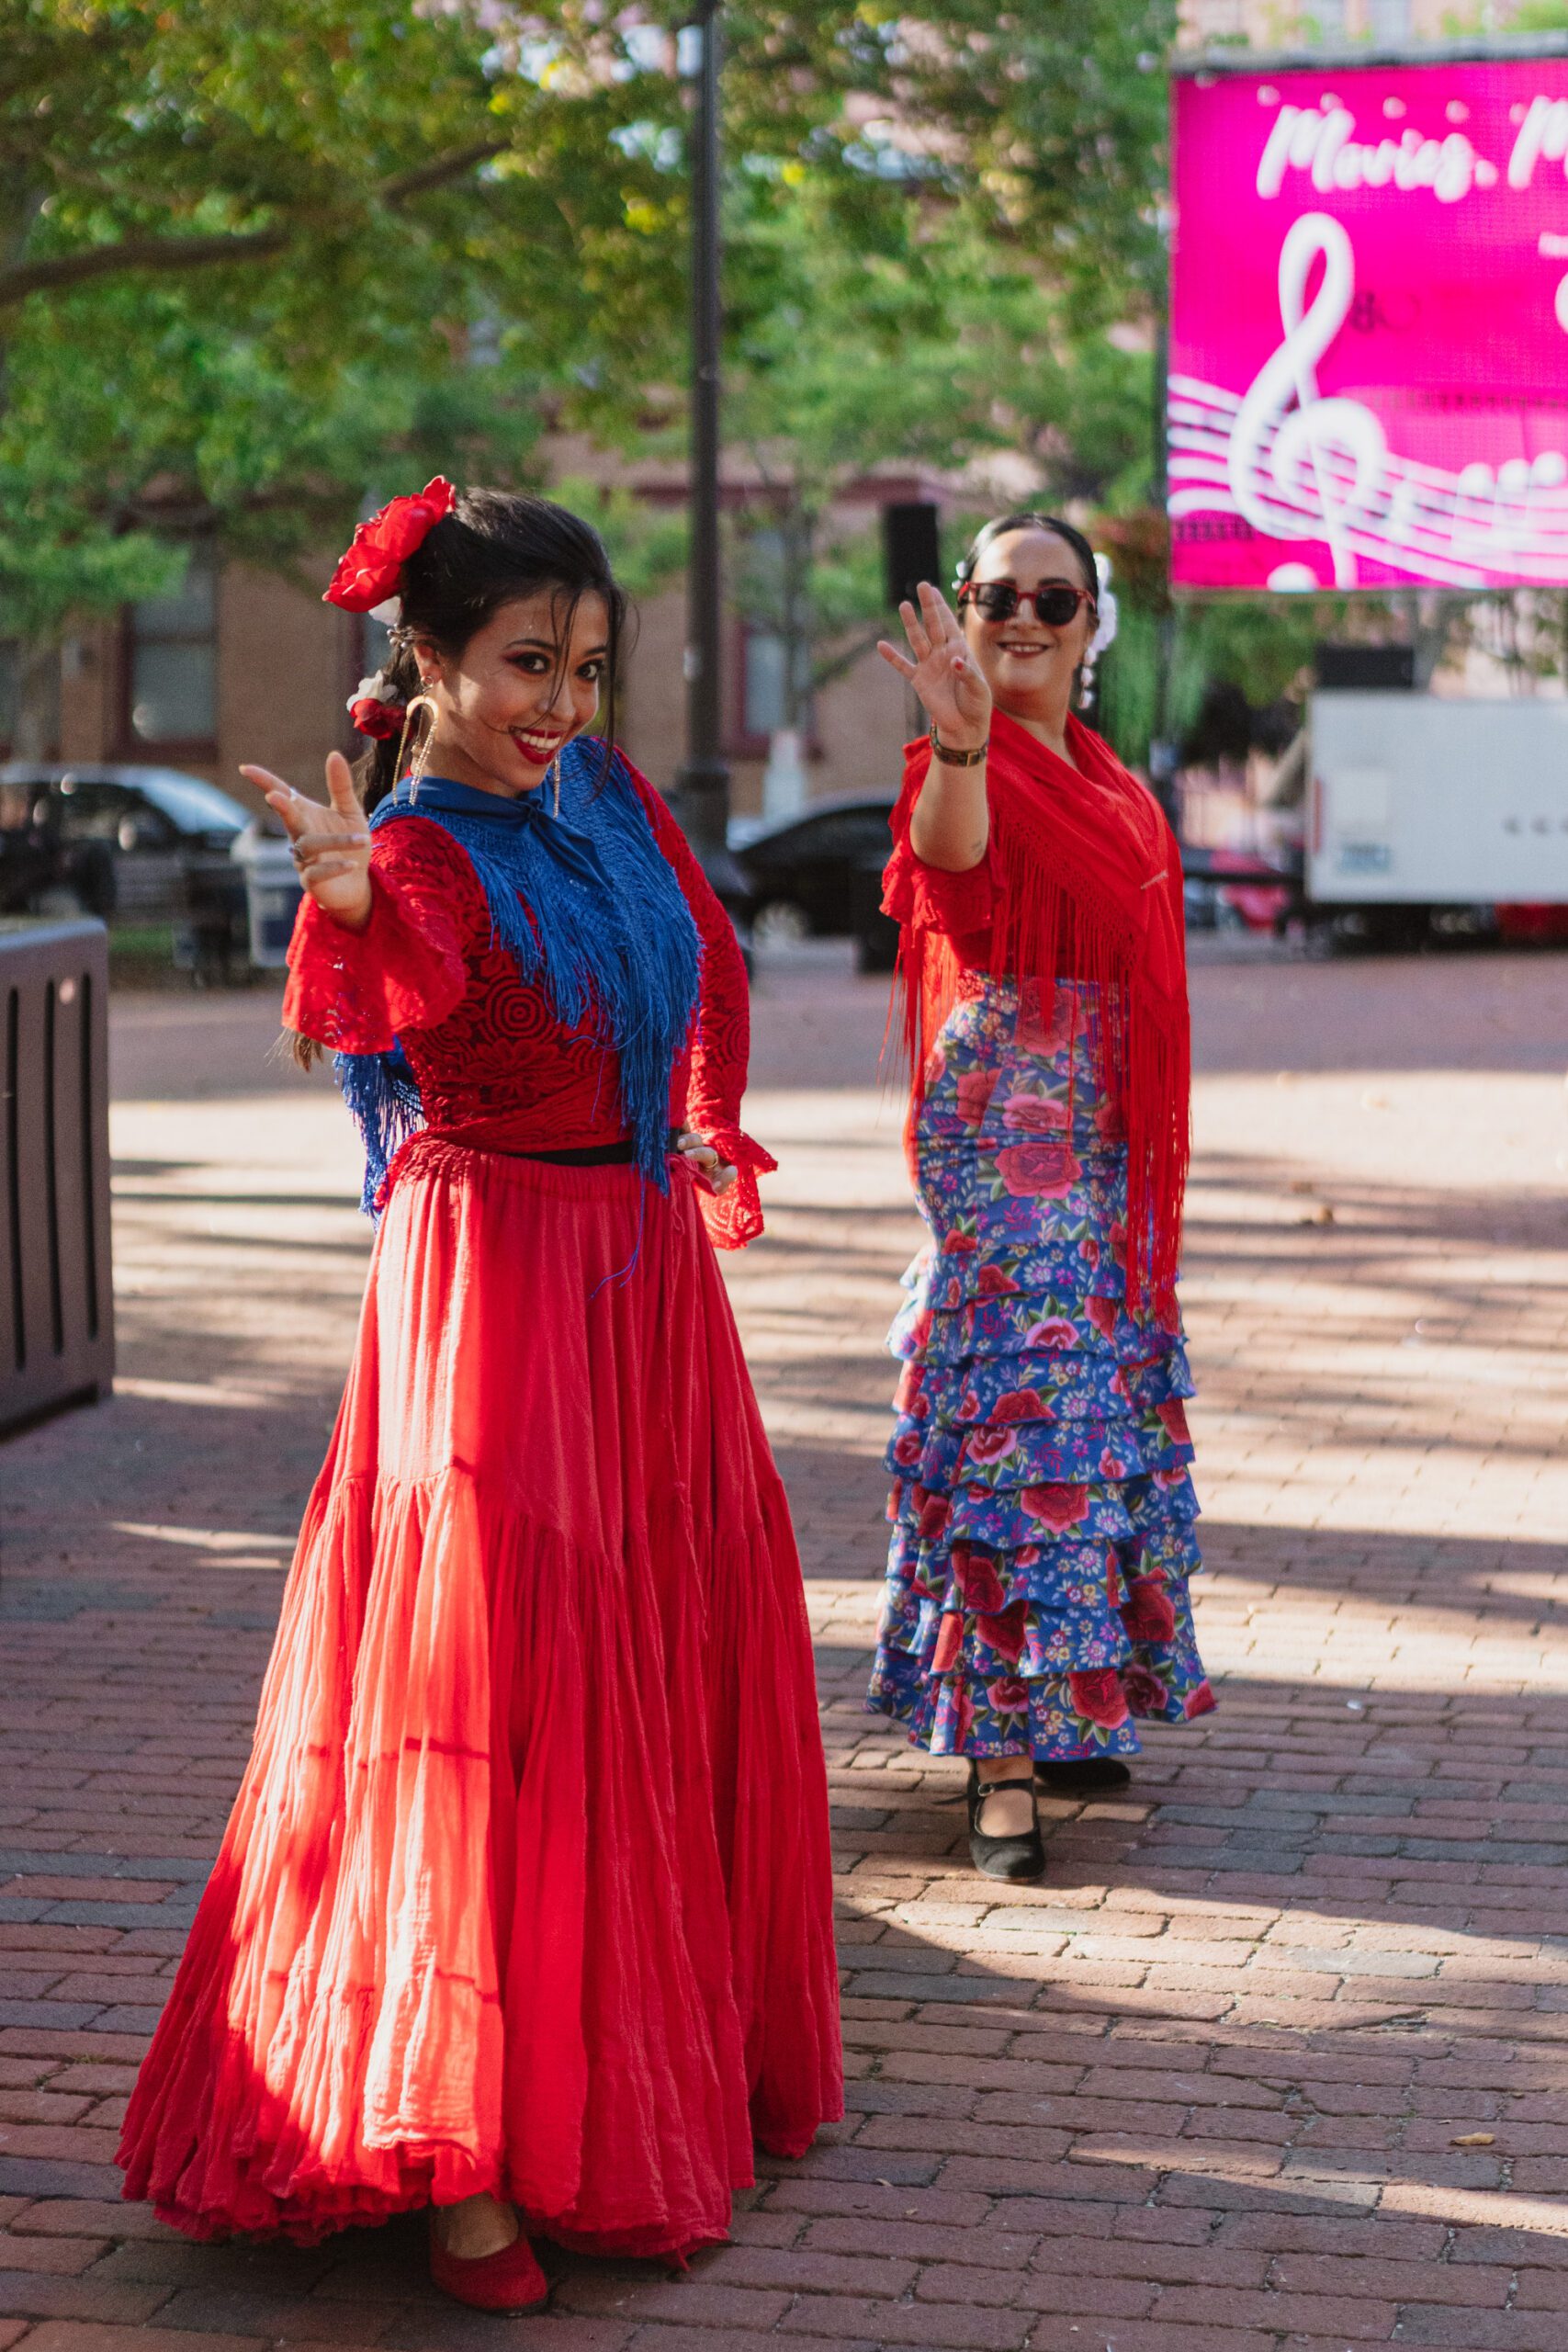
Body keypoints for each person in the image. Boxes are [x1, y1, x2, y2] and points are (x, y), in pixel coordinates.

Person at [118, 483, 841, 2307]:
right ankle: (463, 2151)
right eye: (527, 663)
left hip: (641, 1280)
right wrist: (351, 897)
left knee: (648, 1659)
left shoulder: (601, 792)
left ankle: (641, 2069)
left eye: (585, 667)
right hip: (496, 1293)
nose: (560, 704)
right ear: (427, 660)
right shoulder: (427, 845)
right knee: (501, 1679)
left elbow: (707, 951)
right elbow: (388, 991)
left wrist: (696, 1121)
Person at [864, 514, 1215, 1884]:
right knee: (1025, 1406)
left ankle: (1069, 1703)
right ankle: (997, 1755)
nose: (1021, 616)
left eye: (1050, 597)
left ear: (1091, 621)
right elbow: (950, 869)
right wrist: (959, 743)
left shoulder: (1118, 782)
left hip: (1106, 1132)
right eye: (995, 592)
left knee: (1102, 1397)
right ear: (964, 608)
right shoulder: (961, 760)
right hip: (1004, 1117)